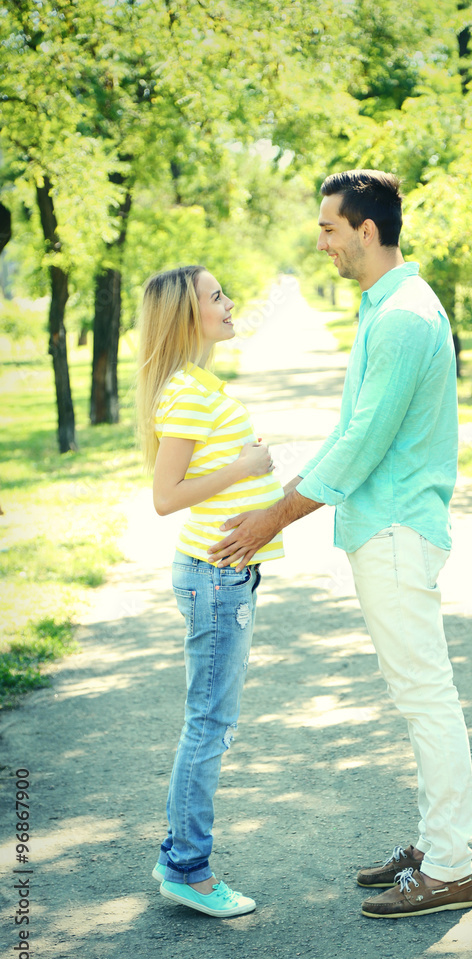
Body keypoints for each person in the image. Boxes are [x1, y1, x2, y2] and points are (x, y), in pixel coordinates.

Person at [207, 170, 472, 919]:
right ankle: (436, 843)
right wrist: (277, 493)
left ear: (366, 229)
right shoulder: (386, 308)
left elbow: (363, 444)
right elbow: (350, 431)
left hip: (396, 527)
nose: (319, 241)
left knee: (426, 695)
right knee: (418, 693)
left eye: (328, 227)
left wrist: (274, 516)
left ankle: (452, 865)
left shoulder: (401, 318)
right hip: (384, 525)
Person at [136, 265, 285, 917]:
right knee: (209, 723)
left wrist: (241, 468)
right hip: (215, 578)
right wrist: (246, 465)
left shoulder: (195, 384)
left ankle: (179, 854)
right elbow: (164, 498)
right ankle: (187, 868)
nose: (230, 304)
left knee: (209, 720)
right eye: (216, 296)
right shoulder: (187, 391)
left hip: (223, 576)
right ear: (185, 316)